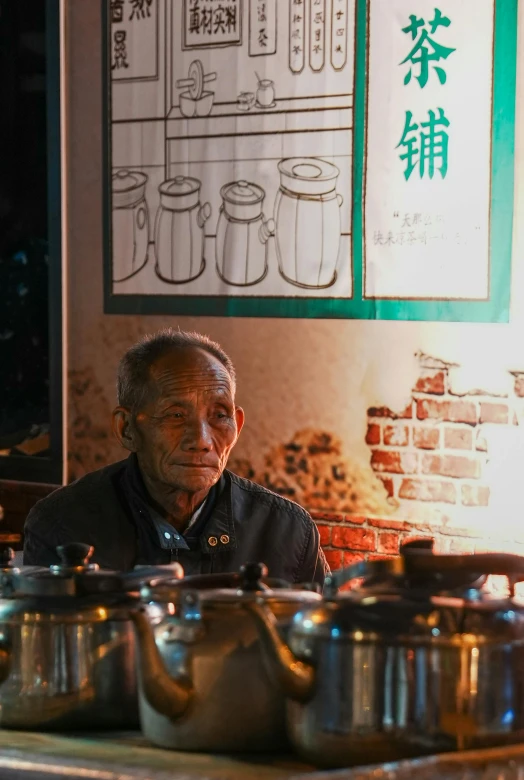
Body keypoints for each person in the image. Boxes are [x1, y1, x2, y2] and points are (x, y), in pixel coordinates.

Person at [23, 329, 329, 584]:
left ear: (236, 426)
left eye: (219, 416)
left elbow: (319, 645)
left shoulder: (287, 531)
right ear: (126, 428)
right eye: (176, 415)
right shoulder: (62, 525)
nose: (201, 441)